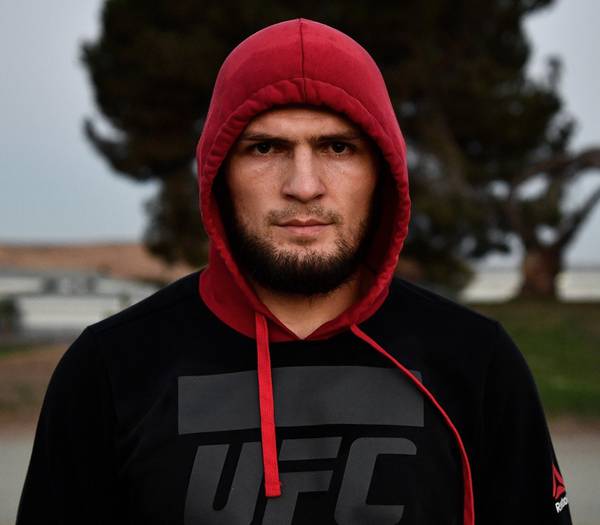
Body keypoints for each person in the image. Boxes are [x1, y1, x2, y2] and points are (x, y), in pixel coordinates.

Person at [17, 18, 571, 525]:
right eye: (265, 147)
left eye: (338, 147)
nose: (303, 186)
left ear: (382, 172)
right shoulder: (109, 369)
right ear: (219, 174)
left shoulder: (476, 361)